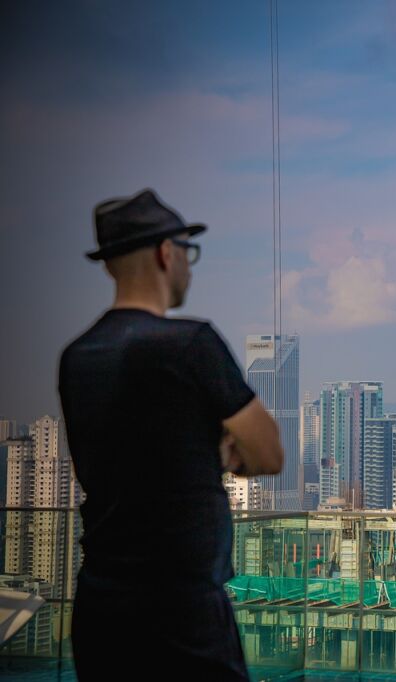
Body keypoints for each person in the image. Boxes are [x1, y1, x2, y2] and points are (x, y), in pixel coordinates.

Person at [59, 188, 284, 679]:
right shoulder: (190, 344)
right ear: (167, 252)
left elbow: (124, 455)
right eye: (188, 251)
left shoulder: (78, 357)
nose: (188, 264)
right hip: (182, 608)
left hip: (99, 605)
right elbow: (268, 452)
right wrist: (224, 452)